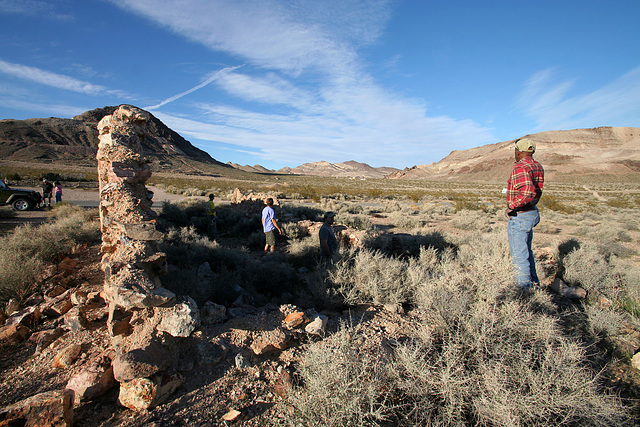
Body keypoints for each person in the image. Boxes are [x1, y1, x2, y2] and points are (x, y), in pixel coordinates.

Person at [505, 138, 544, 290]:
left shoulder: (520, 167)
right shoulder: (537, 166)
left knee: (519, 257)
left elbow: (527, 192)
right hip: (531, 213)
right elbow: (535, 191)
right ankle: (534, 286)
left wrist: (512, 206)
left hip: (520, 215)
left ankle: (523, 292)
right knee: (527, 252)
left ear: (519, 152)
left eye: (515, 151)